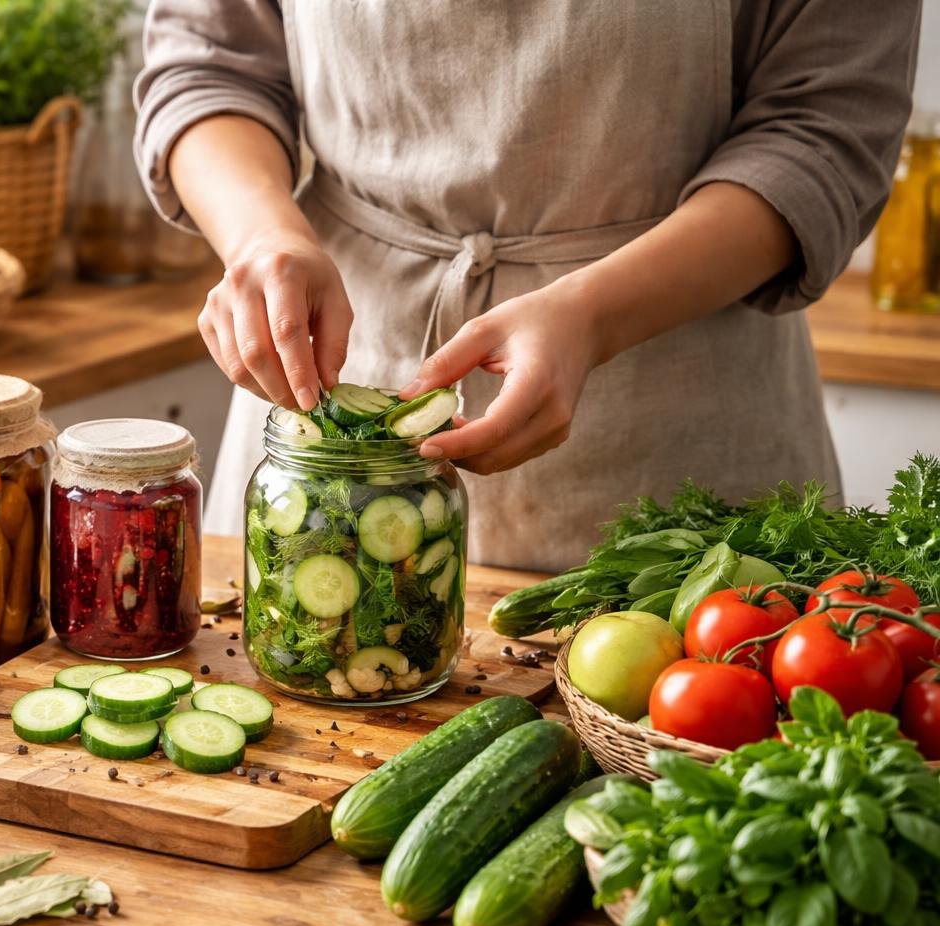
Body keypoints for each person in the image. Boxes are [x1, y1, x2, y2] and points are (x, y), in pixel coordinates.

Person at [134, 2, 921, 571]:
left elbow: (825, 130)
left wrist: (591, 315)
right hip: (338, 383)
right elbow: (206, 63)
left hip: (680, 445)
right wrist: (263, 236)